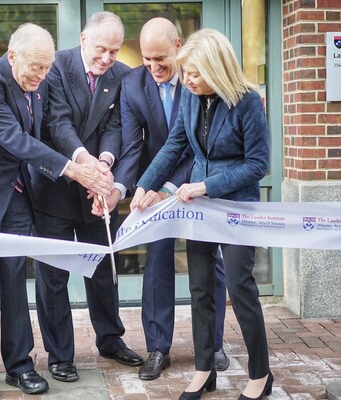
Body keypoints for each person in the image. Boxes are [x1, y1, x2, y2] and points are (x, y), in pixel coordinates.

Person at [0, 23, 113, 399]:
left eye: (47, 67)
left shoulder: (41, 78)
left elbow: (52, 124)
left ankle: (20, 366)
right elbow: (14, 140)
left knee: (16, 282)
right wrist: (73, 171)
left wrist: (84, 158)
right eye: (35, 67)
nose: (41, 75)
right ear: (12, 54)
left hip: (17, 195)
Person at [131, 28, 272, 400]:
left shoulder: (247, 102)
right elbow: (174, 145)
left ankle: (261, 375)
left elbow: (259, 165)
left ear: (217, 68)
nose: (188, 80)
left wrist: (206, 186)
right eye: (186, 73)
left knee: (241, 289)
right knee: (200, 290)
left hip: (236, 206)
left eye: (195, 73)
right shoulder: (192, 100)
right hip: (199, 209)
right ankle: (204, 370)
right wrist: (144, 187)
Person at [98, 18, 229, 381]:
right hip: (154, 185)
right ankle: (158, 347)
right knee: (156, 263)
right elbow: (132, 146)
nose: (154, 68)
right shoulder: (132, 85)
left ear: (178, 45)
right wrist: (129, 189)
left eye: (161, 60)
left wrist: (170, 187)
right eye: (147, 60)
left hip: (198, 182)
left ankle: (213, 344)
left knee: (207, 263)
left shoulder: (199, 78)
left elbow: (192, 145)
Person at [30, 11, 143, 383]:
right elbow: (56, 123)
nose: (107, 58)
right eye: (101, 49)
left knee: (103, 272)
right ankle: (60, 355)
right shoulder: (58, 66)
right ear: (82, 39)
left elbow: (116, 126)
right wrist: (86, 163)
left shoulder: (122, 75)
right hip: (57, 187)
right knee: (54, 277)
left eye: (113, 51)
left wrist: (106, 166)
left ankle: (110, 339)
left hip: (99, 192)